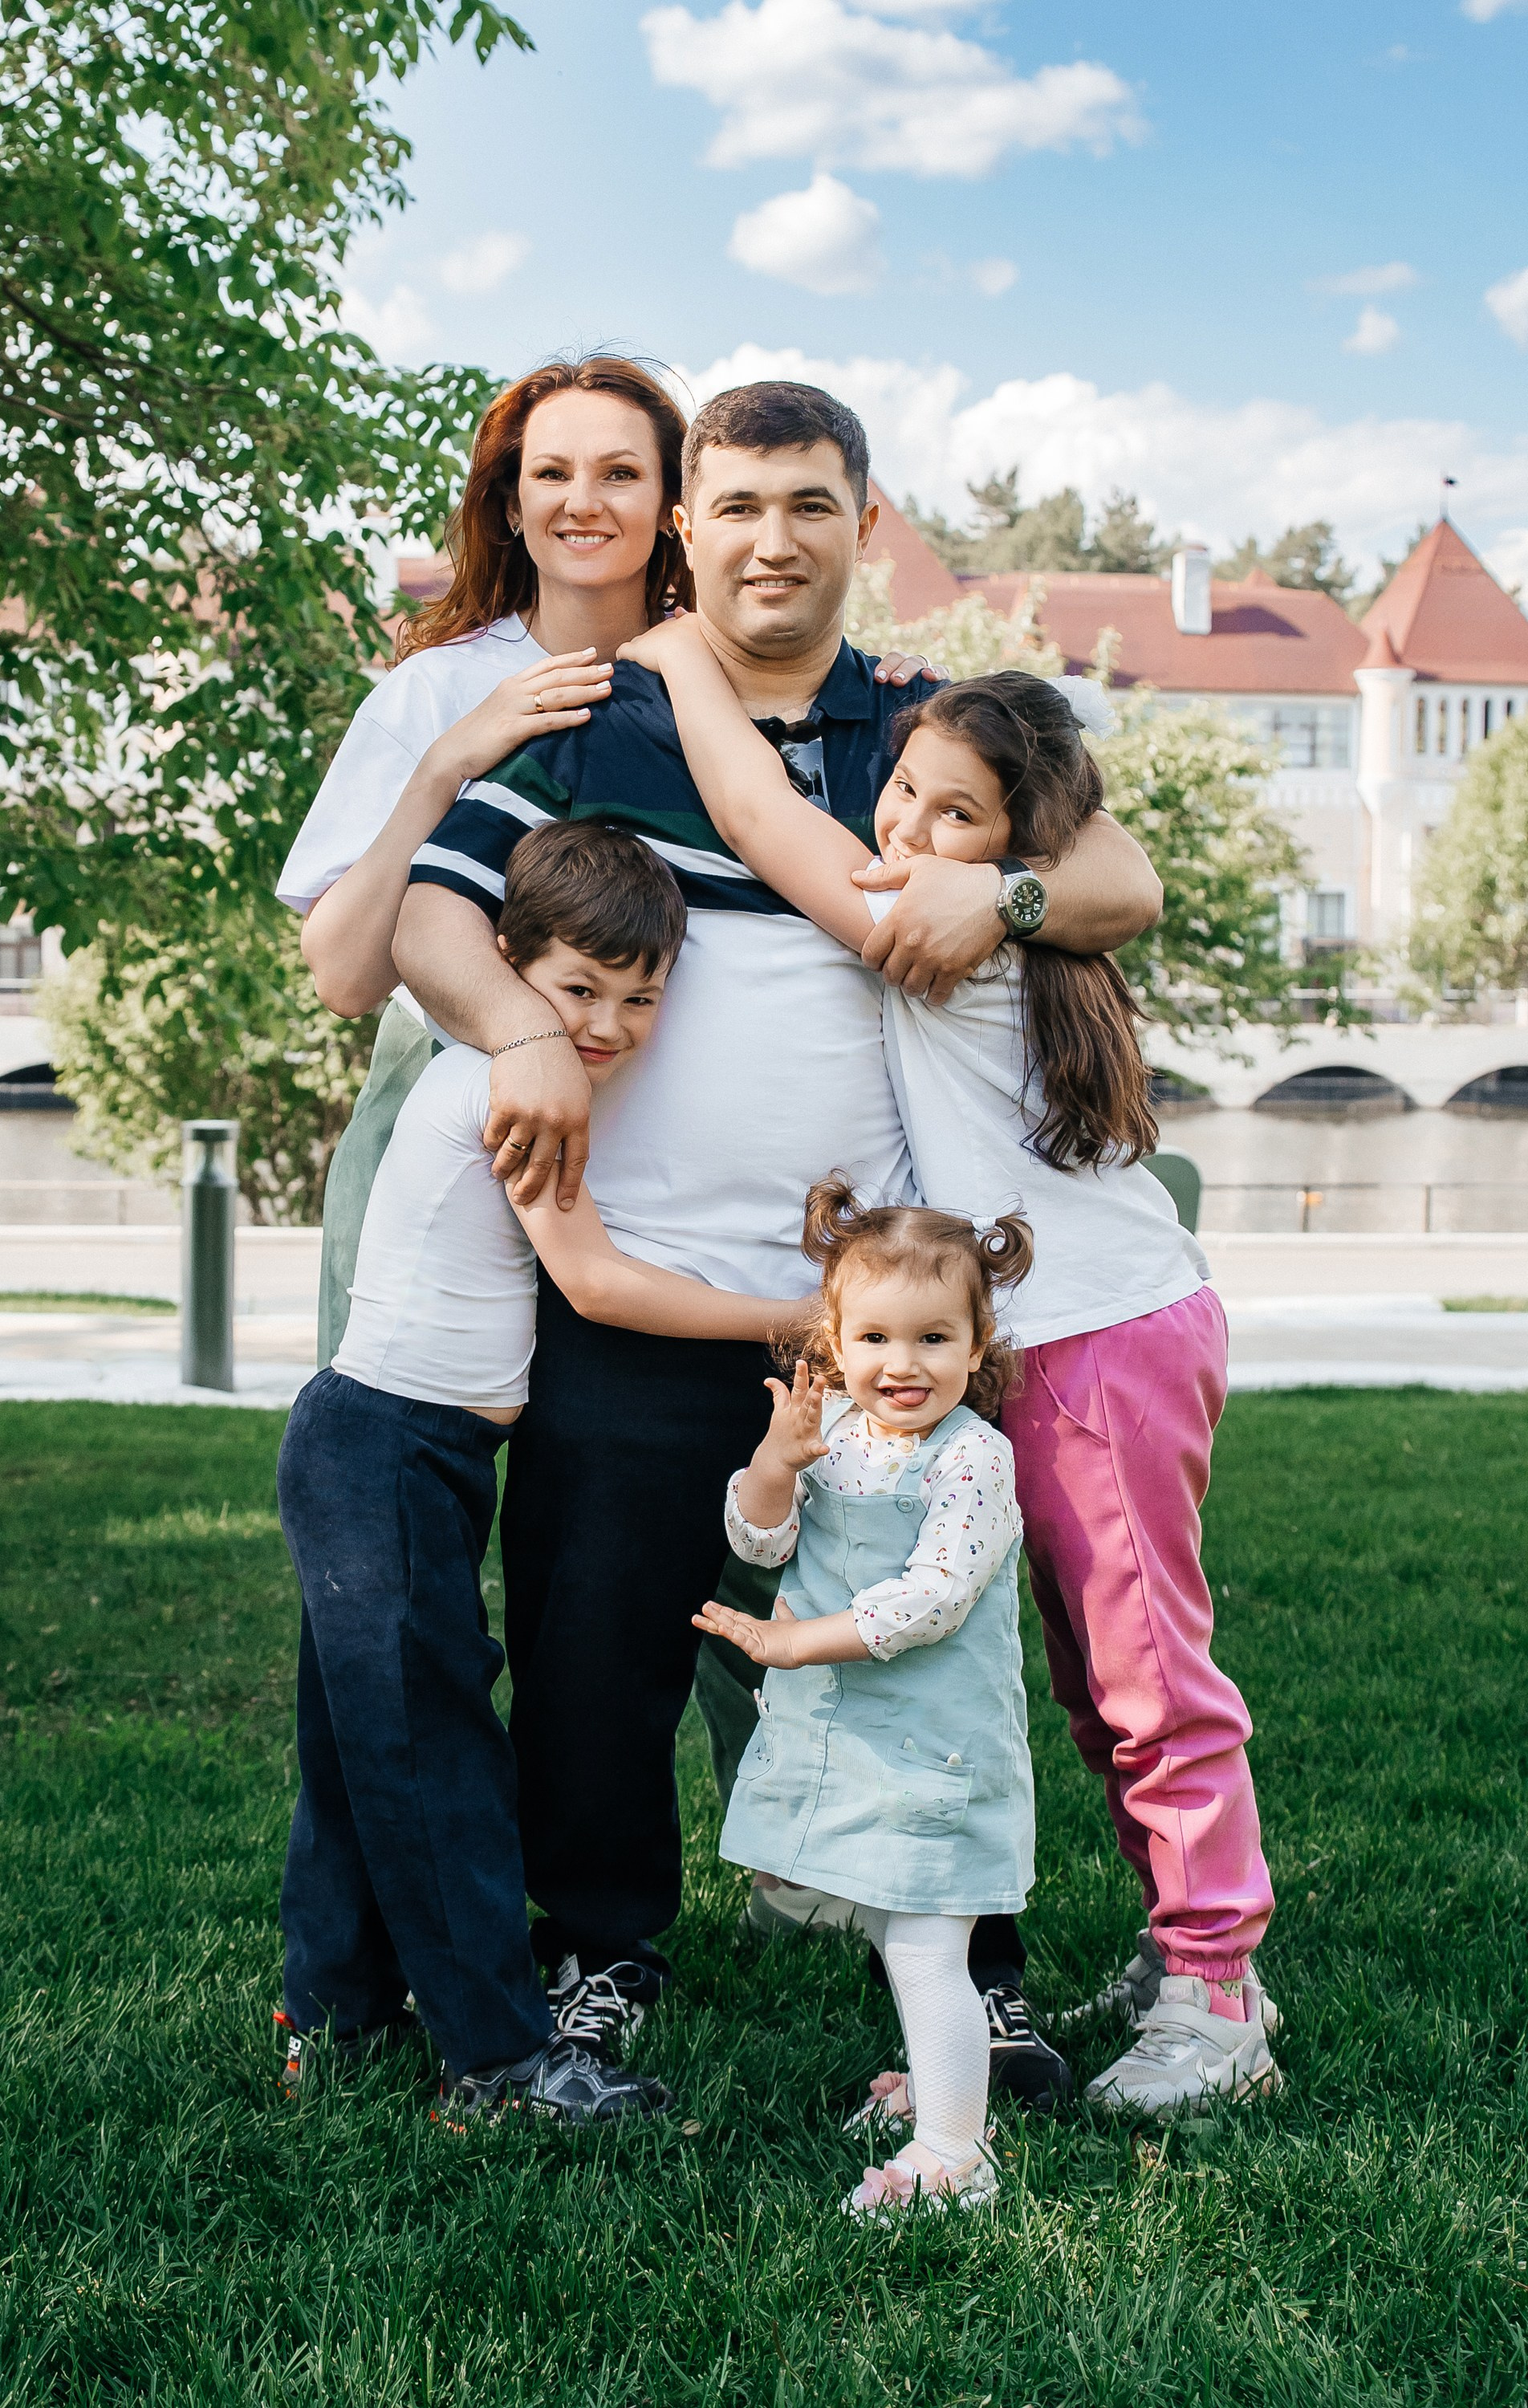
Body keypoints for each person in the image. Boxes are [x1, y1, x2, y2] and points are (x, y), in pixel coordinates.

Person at [391, 380, 1166, 2085]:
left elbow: (1118, 880)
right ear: (689, 526)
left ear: (860, 520)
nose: (771, 538)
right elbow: (436, 924)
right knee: (597, 1643)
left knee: (926, 1646)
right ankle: (597, 1951)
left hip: (876, 1317)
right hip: (642, 1289)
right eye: (735, 505)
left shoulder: (927, 726)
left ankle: (976, 1967)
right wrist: (524, 1032)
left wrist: (1000, 893)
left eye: (809, 503)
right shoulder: (598, 721)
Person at [620, 620, 1278, 2118]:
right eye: (904, 788)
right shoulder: (1009, 910)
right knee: (1095, 1669)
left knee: (1148, 1677)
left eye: (954, 813)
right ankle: (1194, 1947)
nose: (907, 825)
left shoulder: (925, 907)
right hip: (1085, 1331)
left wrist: (679, 659)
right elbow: (1100, 856)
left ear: (1006, 850)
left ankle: (1219, 1991)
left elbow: (748, 812)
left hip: (1101, 1337)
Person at [274, 822, 792, 2130]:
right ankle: (501, 2062)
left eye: (639, 996)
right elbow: (596, 1281)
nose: (607, 1023)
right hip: (384, 1445)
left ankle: (331, 2018)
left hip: (416, 1451)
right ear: (508, 970)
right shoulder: (507, 1083)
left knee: (361, 1745)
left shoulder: (518, 1075)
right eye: (578, 990)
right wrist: (800, 1311)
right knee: (429, 1747)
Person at [278, 353, 934, 1365]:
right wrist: (454, 758)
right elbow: (346, 975)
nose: (582, 502)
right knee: (412, 1444)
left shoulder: (707, 664)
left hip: (625, 1152)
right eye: (550, 474)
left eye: (621, 474)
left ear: (671, 504)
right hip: (463, 1101)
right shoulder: (439, 691)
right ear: (507, 503)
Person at [697, 1181, 1034, 2213]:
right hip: (857, 1739)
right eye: (875, 1338)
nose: (903, 1364)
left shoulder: (973, 1458)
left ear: (975, 1348)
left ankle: (951, 2156)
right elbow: (757, 1541)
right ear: (833, 1344)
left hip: (934, 1744)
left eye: (934, 1338)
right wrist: (773, 1461)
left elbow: (930, 1599)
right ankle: (934, 2092)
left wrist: (795, 1644)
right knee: (897, 1923)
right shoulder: (830, 1433)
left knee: (929, 1935)